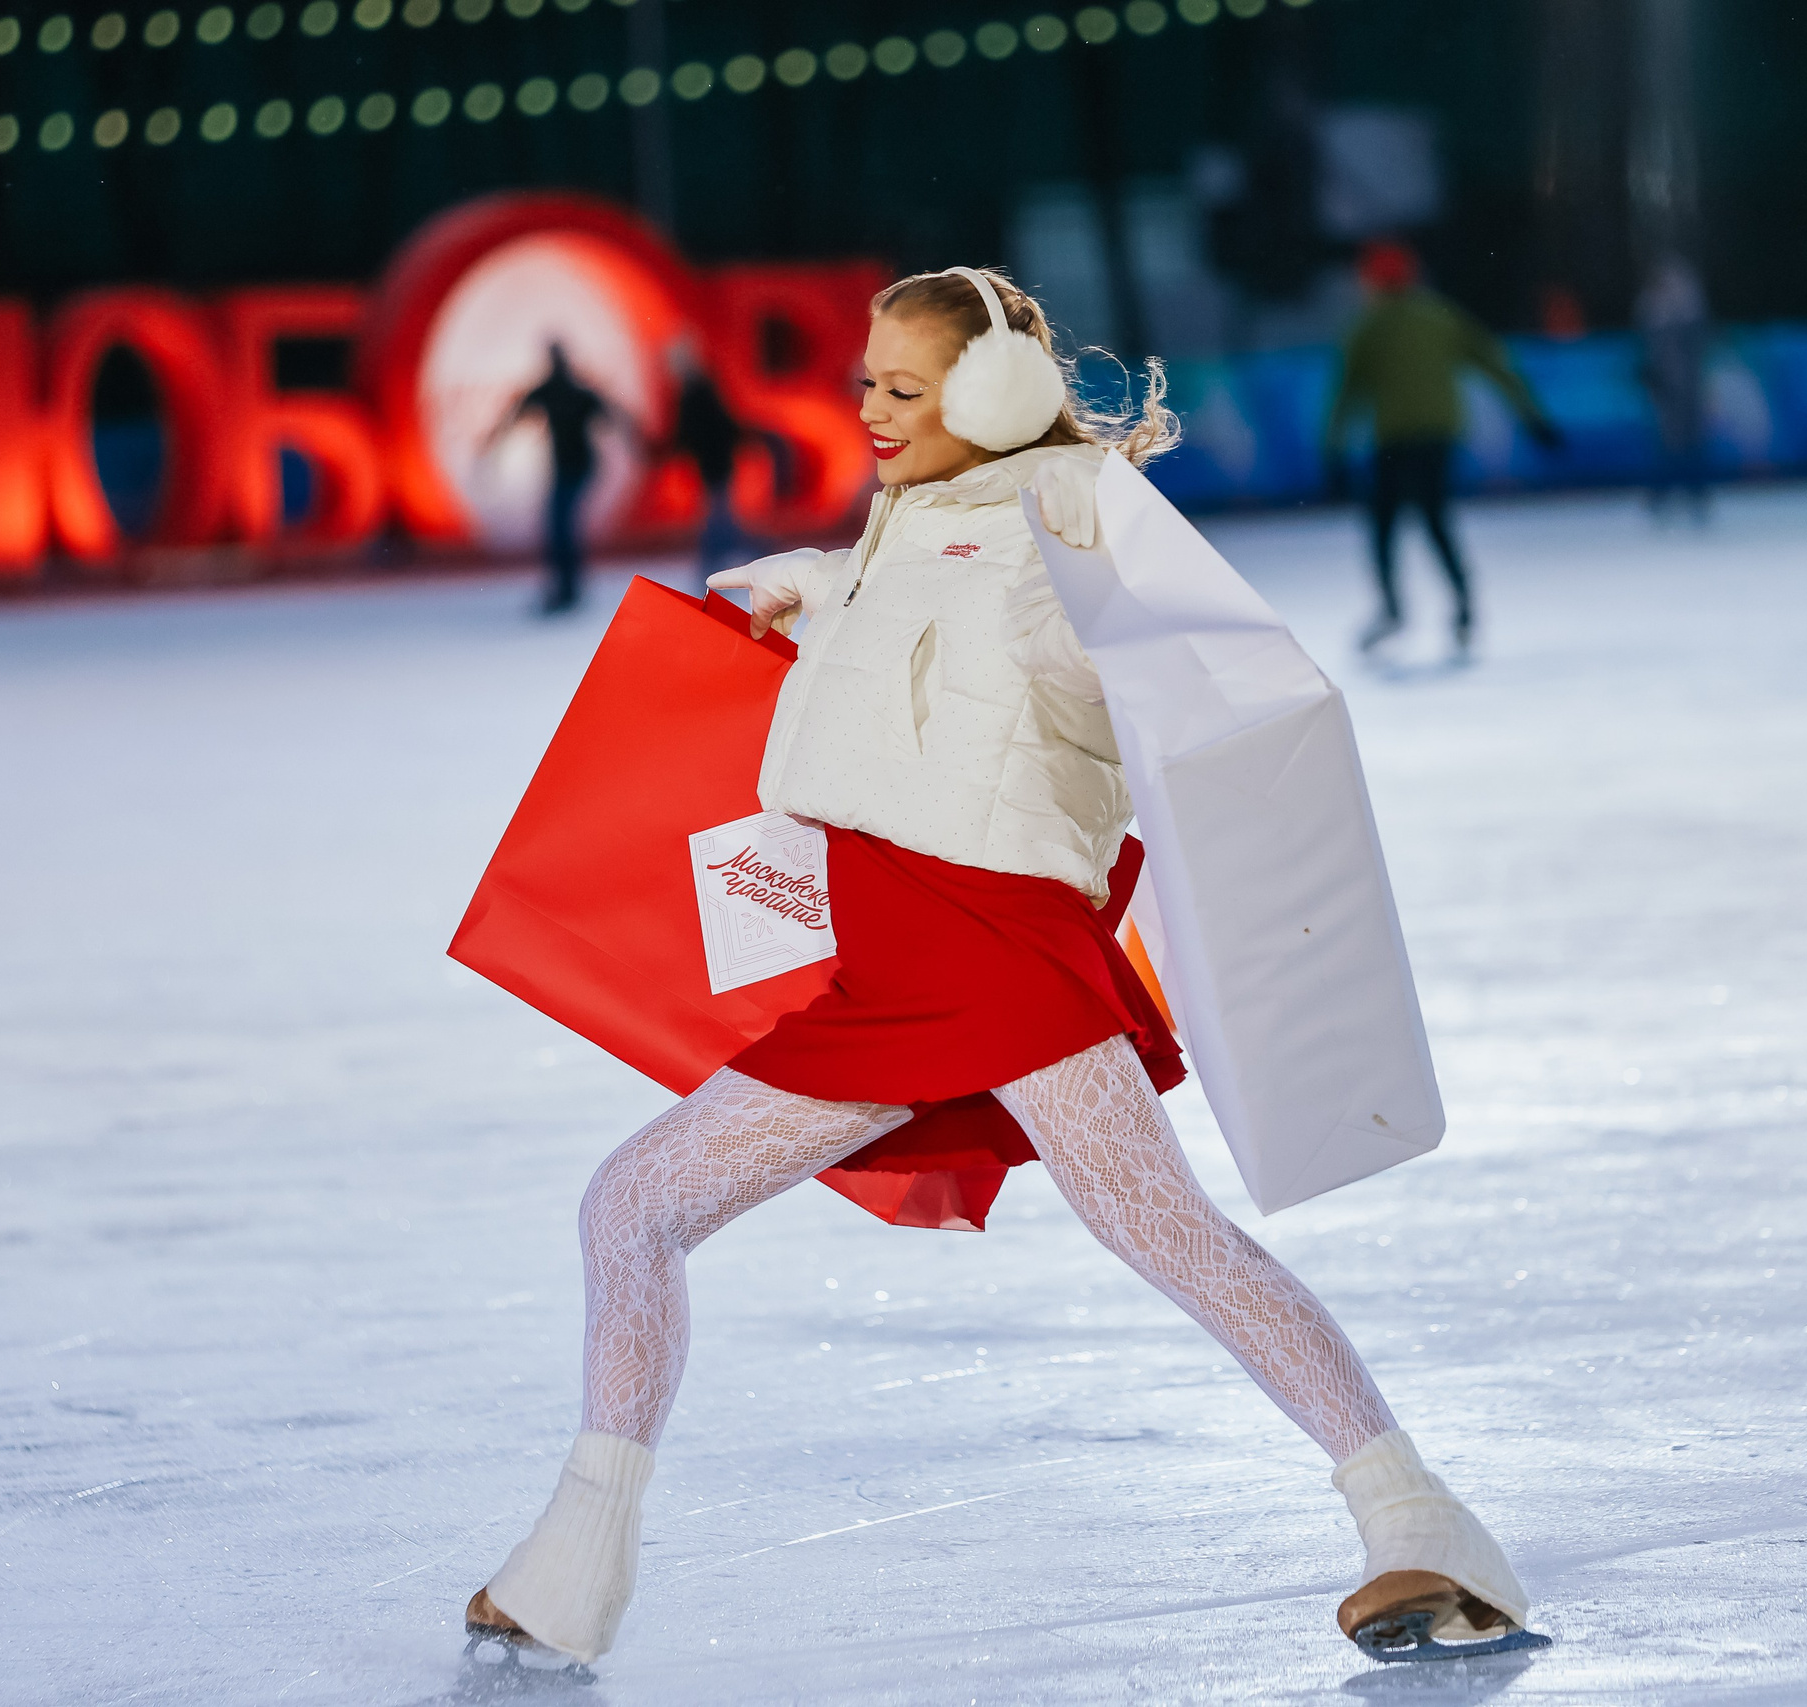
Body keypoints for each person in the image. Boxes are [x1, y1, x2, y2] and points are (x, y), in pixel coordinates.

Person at [463, 267, 1534, 1667]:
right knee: (639, 1205)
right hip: (893, 968)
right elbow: (927, 616)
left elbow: (1210, 683)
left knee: (1161, 1233)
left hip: (996, 951)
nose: (870, 410)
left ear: (996, 395)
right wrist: (822, 586)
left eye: (906, 389)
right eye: (868, 380)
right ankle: (571, 1572)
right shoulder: (908, 521)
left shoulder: (1077, 516)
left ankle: (1425, 1521)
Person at [1325, 240, 1562, 660]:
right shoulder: (1439, 316)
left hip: (1395, 440)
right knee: (1435, 519)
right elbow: (1495, 363)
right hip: (1440, 436)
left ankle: (1394, 609)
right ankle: (1463, 607)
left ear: (1374, 282)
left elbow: (1346, 394)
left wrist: (1334, 452)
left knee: (1383, 524)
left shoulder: (1369, 328)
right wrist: (1532, 417)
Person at [489, 344, 612, 615]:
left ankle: (567, 589)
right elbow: (517, 411)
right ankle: (567, 588)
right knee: (560, 528)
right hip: (570, 467)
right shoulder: (565, 389)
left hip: (577, 467)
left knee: (561, 527)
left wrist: (493, 440)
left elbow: (610, 413)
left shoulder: (566, 390)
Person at [665, 340, 755, 584]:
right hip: (713, 464)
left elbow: (701, 430)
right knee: (720, 520)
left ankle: (714, 571)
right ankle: (719, 568)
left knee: (718, 521)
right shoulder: (696, 390)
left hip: (715, 463)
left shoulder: (697, 392)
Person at [1636, 254, 1712, 521]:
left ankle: (1693, 494)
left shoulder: (1683, 311)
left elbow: (1693, 349)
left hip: (1685, 388)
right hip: (1671, 388)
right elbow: (1654, 353)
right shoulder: (1654, 310)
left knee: (1688, 441)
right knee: (1672, 442)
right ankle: (1669, 494)